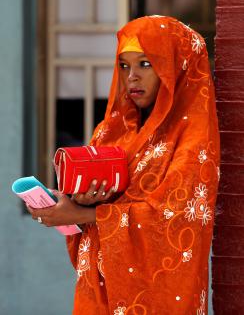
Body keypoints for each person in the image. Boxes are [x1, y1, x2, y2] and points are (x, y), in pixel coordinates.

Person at [28, 16, 220, 314]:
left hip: (157, 298)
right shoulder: (110, 131)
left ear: (177, 66)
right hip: (99, 290)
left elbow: (176, 220)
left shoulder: (191, 137)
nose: (132, 76)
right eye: (124, 65)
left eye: (145, 64)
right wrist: (66, 207)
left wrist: (84, 212)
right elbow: (83, 223)